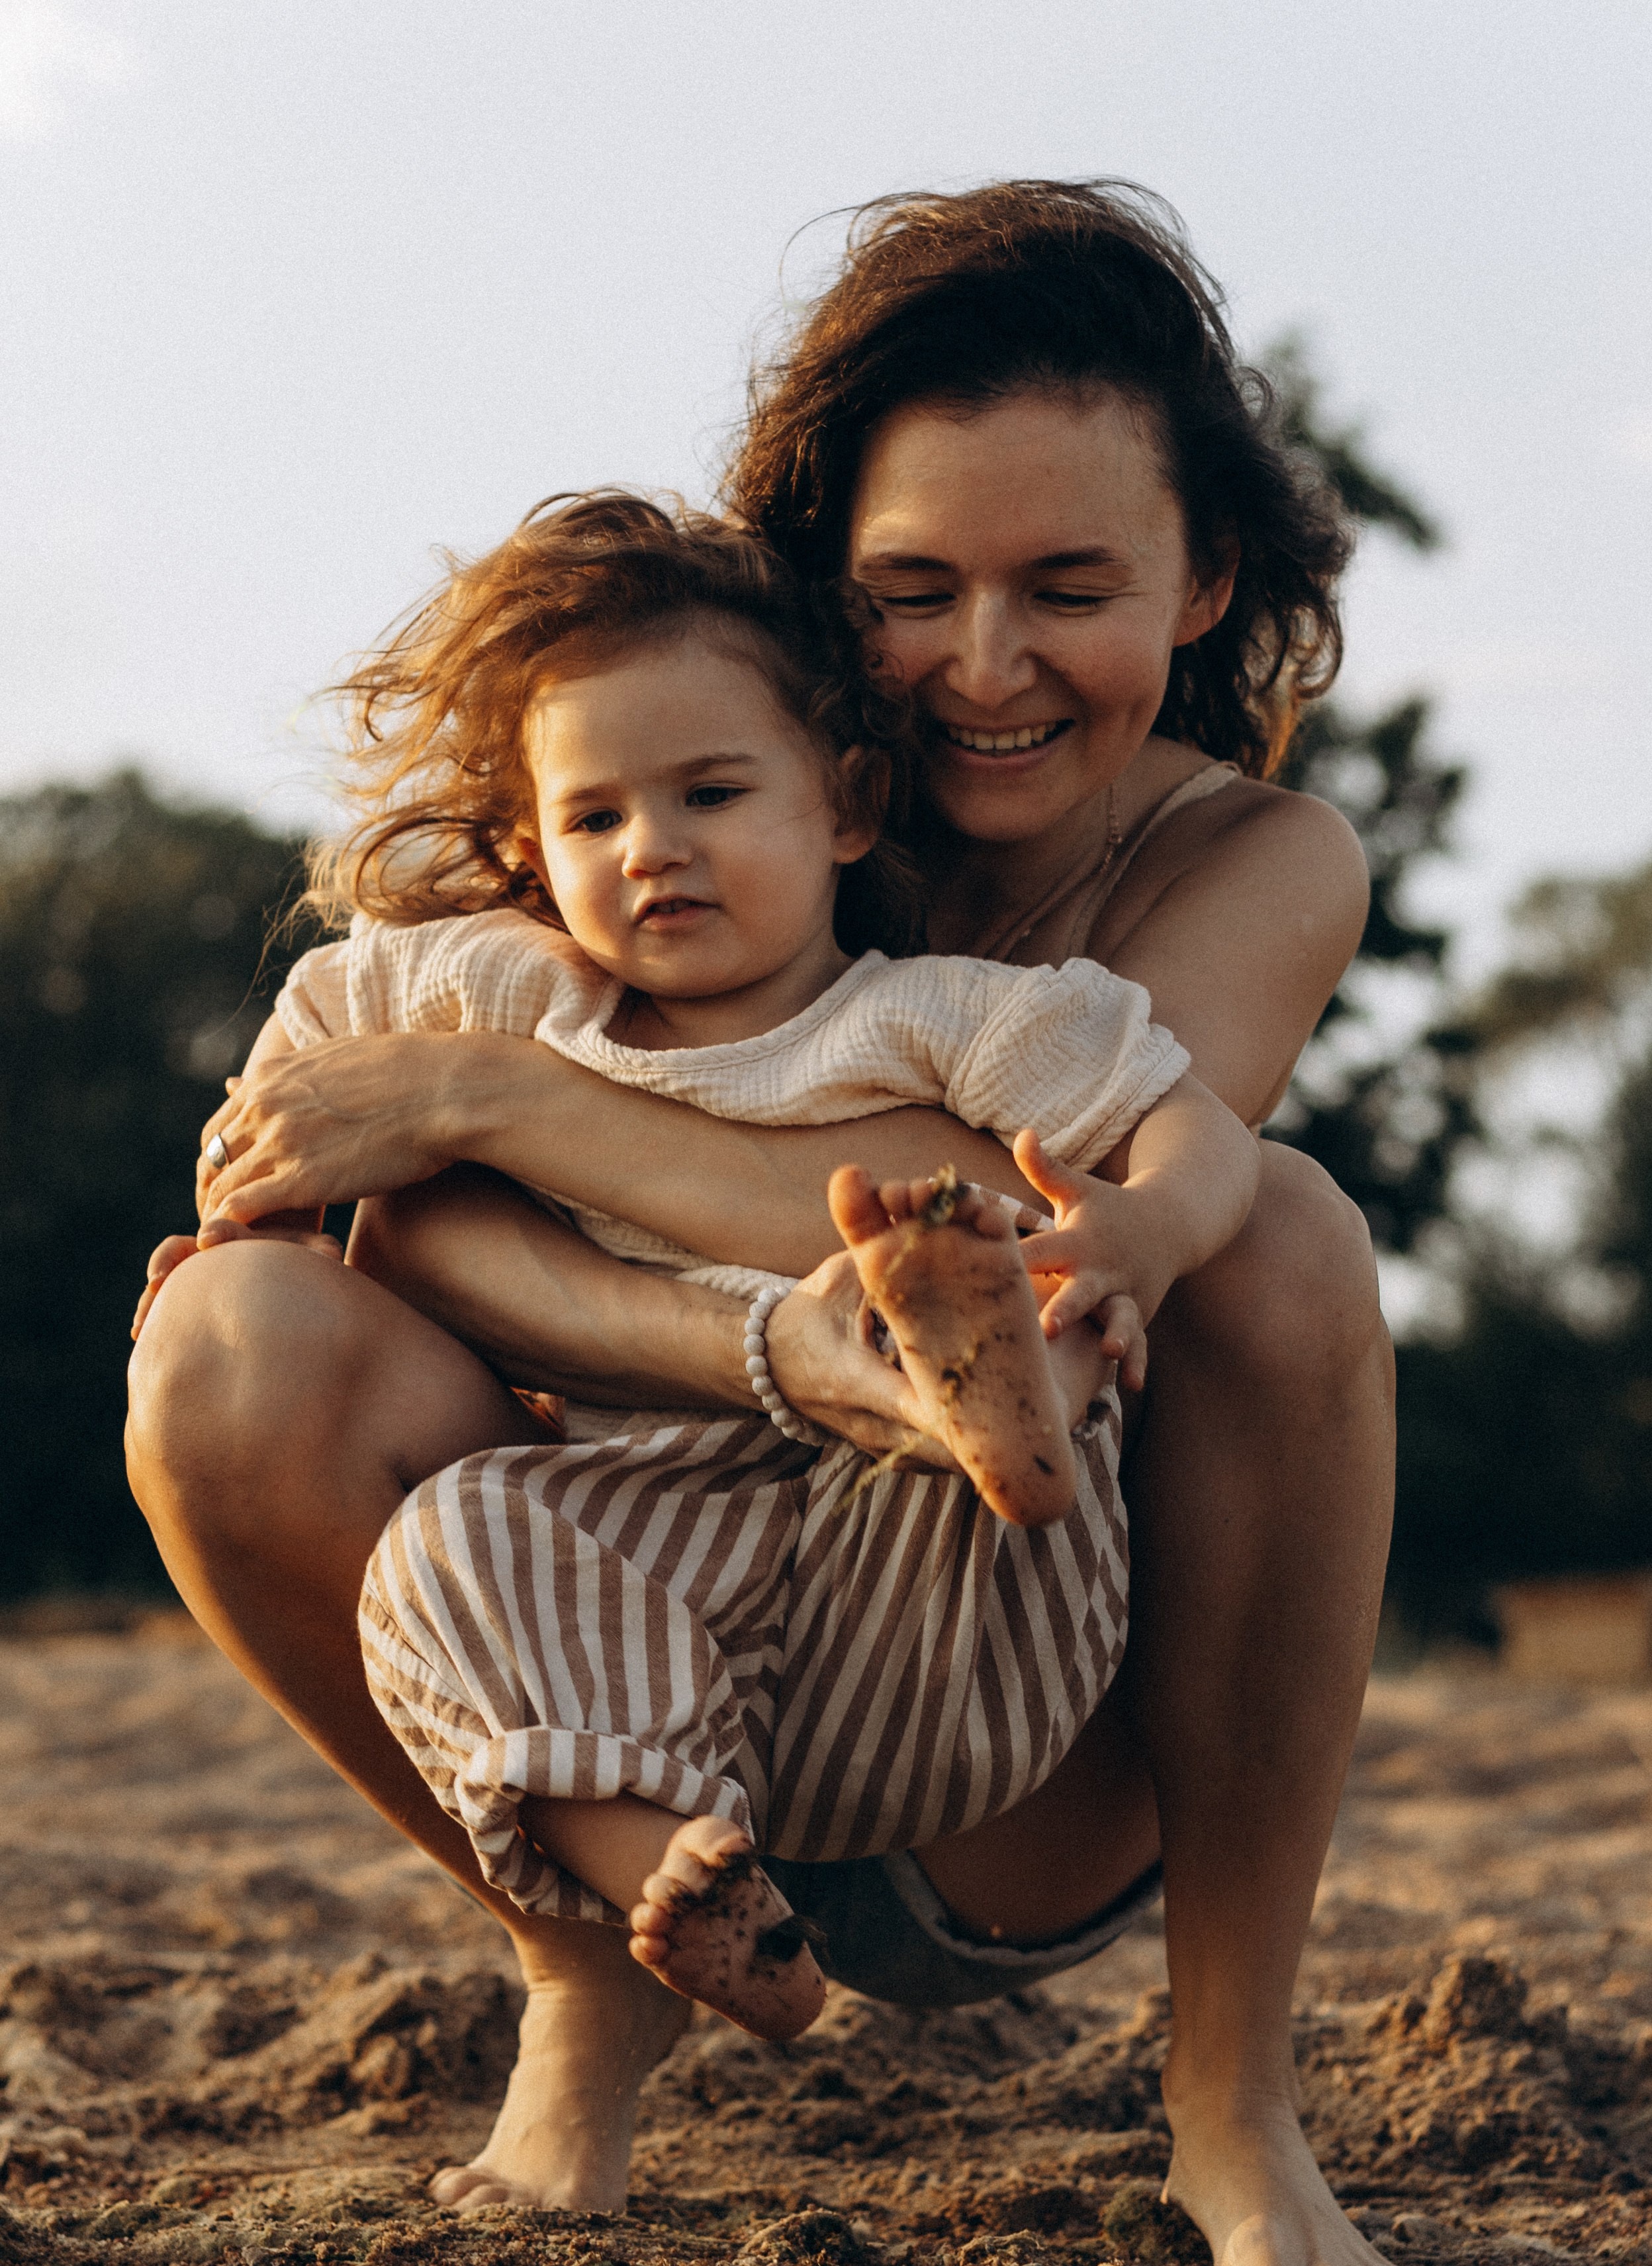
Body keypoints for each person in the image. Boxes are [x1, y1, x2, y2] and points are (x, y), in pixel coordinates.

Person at [128, 179, 1414, 2266]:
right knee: (236, 1339)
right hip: (626, 1650)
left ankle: (1234, 2105)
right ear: (828, 596)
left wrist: (506, 1107)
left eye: (1069, 585)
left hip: (1007, 1701)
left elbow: (1037, 1231)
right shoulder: (680, 780)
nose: (983, 669)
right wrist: (720, 1329)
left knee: (1277, 1233)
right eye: (913, 589)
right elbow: (395, 1230)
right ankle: (590, 1968)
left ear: (1203, 585)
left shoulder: (1256, 854)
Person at [259, 486, 1260, 2046]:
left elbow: (1192, 1128)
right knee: (451, 1545)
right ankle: (697, 1888)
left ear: (846, 806)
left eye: (713, 795)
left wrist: (1146, 1228)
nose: (653, 849)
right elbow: (316, 1045)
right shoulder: (516, 997)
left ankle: (990, 1389)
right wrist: (250, 1216)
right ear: (532, 847)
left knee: (1019, 1299)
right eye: (595, 820)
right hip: (642, 1547)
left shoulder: (930, 1017)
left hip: (913, 1591)